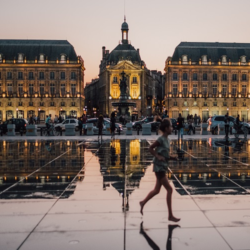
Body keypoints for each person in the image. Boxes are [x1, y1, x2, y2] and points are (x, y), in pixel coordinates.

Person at [139, 118, 180, 222]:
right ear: (166, 129)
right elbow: (150, 148)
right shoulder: (161, 139)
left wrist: (172, 157)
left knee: (157, 190)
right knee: (169, 189)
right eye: (170, 126)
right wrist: (157, 156)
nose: (172, 128)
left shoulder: (167, 140)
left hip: (163, 166)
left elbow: (165, 155)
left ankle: (143, 202)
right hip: (159, 167)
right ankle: (170, 215)